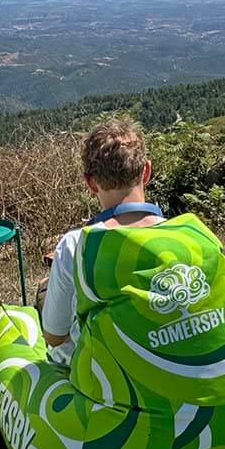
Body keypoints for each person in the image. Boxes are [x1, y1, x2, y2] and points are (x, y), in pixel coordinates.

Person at [39, 117, 164, 364]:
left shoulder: (76, 245)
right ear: (147, 171)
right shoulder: (188, 234)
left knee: (45, 290)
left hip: (103, 377)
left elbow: (54, 336)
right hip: (171, 366)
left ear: (90, 183)